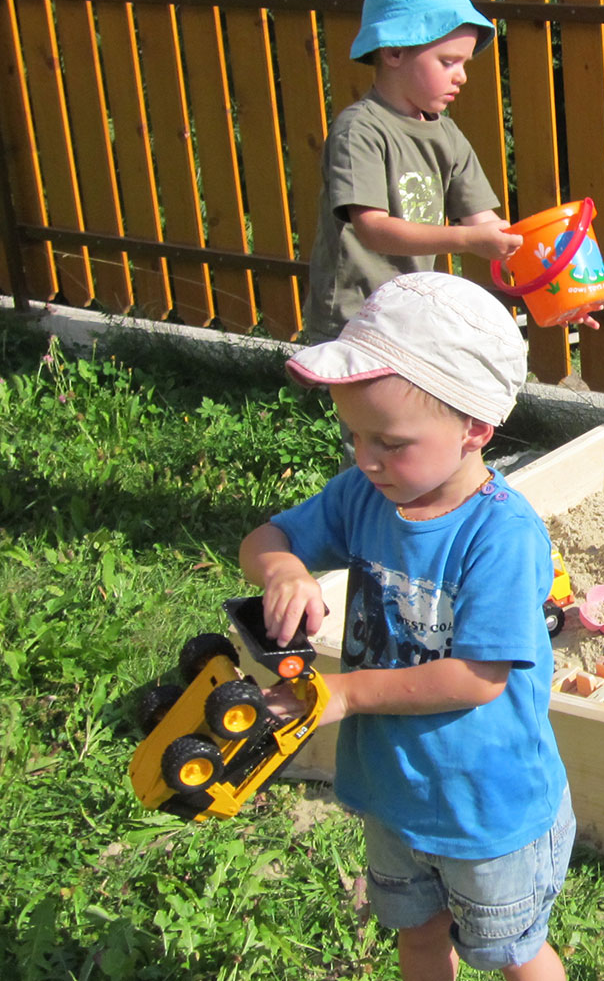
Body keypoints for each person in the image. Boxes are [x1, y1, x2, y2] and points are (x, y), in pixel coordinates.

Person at [241, 272, 573, 981]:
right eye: (354, 435)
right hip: (394, 793)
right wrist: (284, 572)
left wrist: (349, 695)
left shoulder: (501, 536)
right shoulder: (363, 495)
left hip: (487, 809)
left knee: (512, 954)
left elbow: (479, 678)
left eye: (389, 442)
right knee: (417, 937)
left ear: (474, 429)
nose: (365, 459)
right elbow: (264, 539)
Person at [305, 0, 598, 342]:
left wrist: (561, 288)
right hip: (352, 318)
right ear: (394, 51)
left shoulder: (446, 135)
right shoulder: (360, 130)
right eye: (448, 62)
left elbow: (489, 225)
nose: (461, 76)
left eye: (464, 64)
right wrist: (467, 240)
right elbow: (372, 229)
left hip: (407, 314)